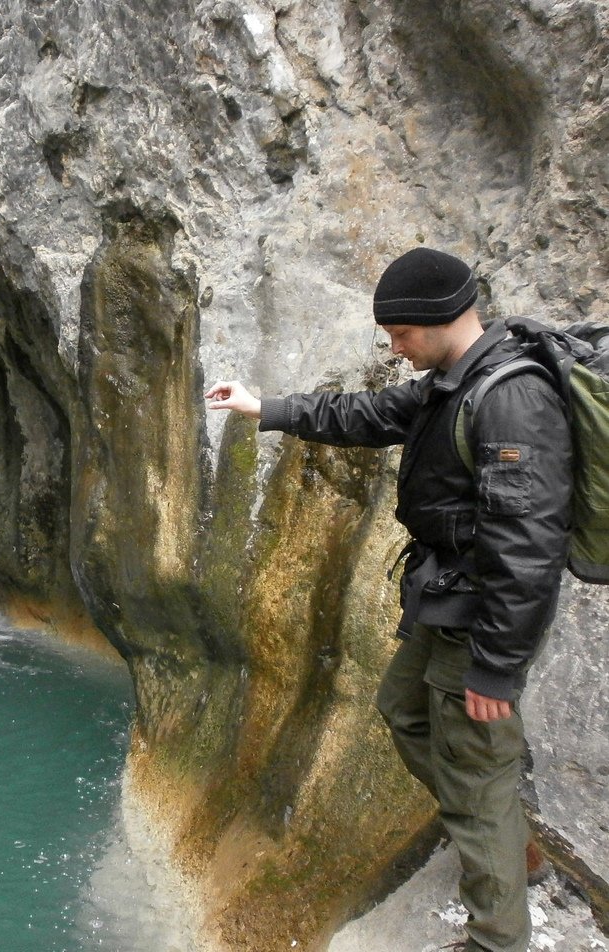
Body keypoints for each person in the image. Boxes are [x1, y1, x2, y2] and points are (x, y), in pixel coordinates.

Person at [206, 247, 571, 952]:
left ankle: (497, 934)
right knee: (403, 709)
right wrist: (265, 407)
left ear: (440, 319)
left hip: (480, 616)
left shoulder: (510, 401)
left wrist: (496, 668)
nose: (395, 348)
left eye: (401, 333)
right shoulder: (453, 380)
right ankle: (502, 839)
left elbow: (529, 551)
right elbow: (368, 413)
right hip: (446, 598)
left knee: (475, 768)